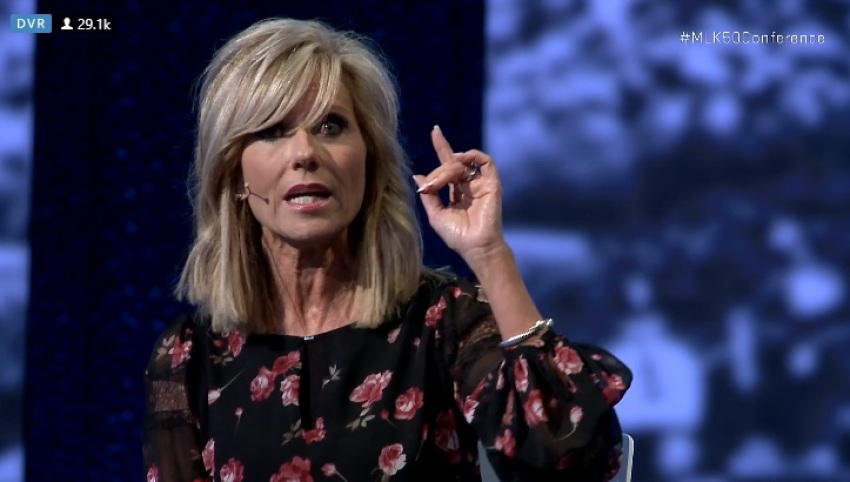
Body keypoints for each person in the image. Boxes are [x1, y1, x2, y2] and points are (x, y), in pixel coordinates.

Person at [143, 17, 632, 482]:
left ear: (370, 164)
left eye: (330, 126)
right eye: (273, 130)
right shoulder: (191, 354)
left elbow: (572, 462)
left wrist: (489, 253)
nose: (305, 152)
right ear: (235, 178)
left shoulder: (443, 323)